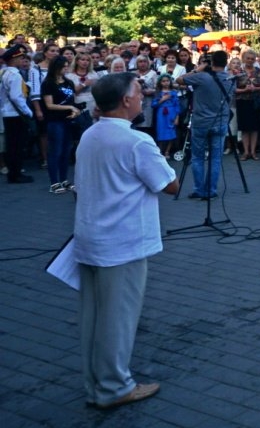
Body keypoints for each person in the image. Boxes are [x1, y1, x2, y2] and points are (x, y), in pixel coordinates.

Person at [74, 71, 180, 409]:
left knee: (94, 317)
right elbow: (170, 185)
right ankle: (114, 387)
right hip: (121, 242)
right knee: (118, 318)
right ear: (125, 100)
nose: (142, 95)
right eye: (138, 90)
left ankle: (97, 384)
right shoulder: (136, 141)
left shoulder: (90, 134)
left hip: (91, 237)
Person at [179, 50, 235, 198]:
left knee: (197, 157)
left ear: (211, 62)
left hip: (201, 122)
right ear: (226, 62)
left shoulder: (201, 77)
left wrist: (198, 69)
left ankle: (199, 189)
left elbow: (179, 80)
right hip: (220, 121)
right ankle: (211, 190)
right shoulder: (230, 78)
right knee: (215, 158)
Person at [40, 55, 82, 193]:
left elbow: (72, 100)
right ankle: (54, 182)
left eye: (67, 66)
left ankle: (64, 179)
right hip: (55, 121)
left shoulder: (69, 82)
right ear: (56, 67)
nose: (66, 68)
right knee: (55, 151)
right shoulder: (48, 83)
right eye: (63, 66)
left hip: (68, 120)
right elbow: (49, 105)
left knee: (66, 151)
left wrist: (75, 111)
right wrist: (70, 107)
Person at [1, 46, 35, 183]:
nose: (22, 60)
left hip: (7, 112)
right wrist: (28, 111)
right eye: (20, 58)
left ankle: (13, 173)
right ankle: (16, 174)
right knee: (17, 146)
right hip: (16, 114)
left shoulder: (3, 72)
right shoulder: (15, 75)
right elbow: (16, 97)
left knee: (12, 145)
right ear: (13, 59)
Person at [151, 75, 181, 158]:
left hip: (171, 113)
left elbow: (177, 106)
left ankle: (167, 151)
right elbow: (153, 105)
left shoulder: (173, 92)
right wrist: (162, 99)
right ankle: (160, 151)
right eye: (163, 81)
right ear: (160, 83)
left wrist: (177, 117)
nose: (166, 83)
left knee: (171, 132)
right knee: (161, 132)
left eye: (167, 81)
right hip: (161, 114)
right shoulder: (158, 93)